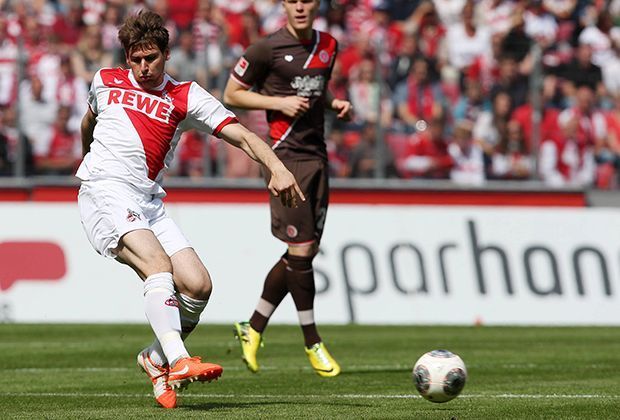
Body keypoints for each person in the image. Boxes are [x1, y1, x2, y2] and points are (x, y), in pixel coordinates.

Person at [77, 10, 304, 409]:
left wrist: (278, 167)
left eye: (151, 58)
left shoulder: (186, 96)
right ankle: (179, 360)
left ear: (166, 55)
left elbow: (243, 136)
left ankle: (154, 357)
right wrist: (91, 169)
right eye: (135, 59)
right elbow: (87, 123)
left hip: (148, 200)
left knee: (198, 286)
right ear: (126, 57)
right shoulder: (104, 80)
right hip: (106, 191)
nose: (143, 67)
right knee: (158, 266)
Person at [223, 0, 352, 378]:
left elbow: (318, 90)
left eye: (306, 0)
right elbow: (232, 94)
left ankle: (253, 326)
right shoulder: (265, 48)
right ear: (284, 5)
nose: (299, 7)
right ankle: (312, 341)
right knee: (301, 249)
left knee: (302, 254)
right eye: (292, 0)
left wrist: (334, 103)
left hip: (318, 158)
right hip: (284, 159)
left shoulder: (328, 44)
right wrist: (278, 102)